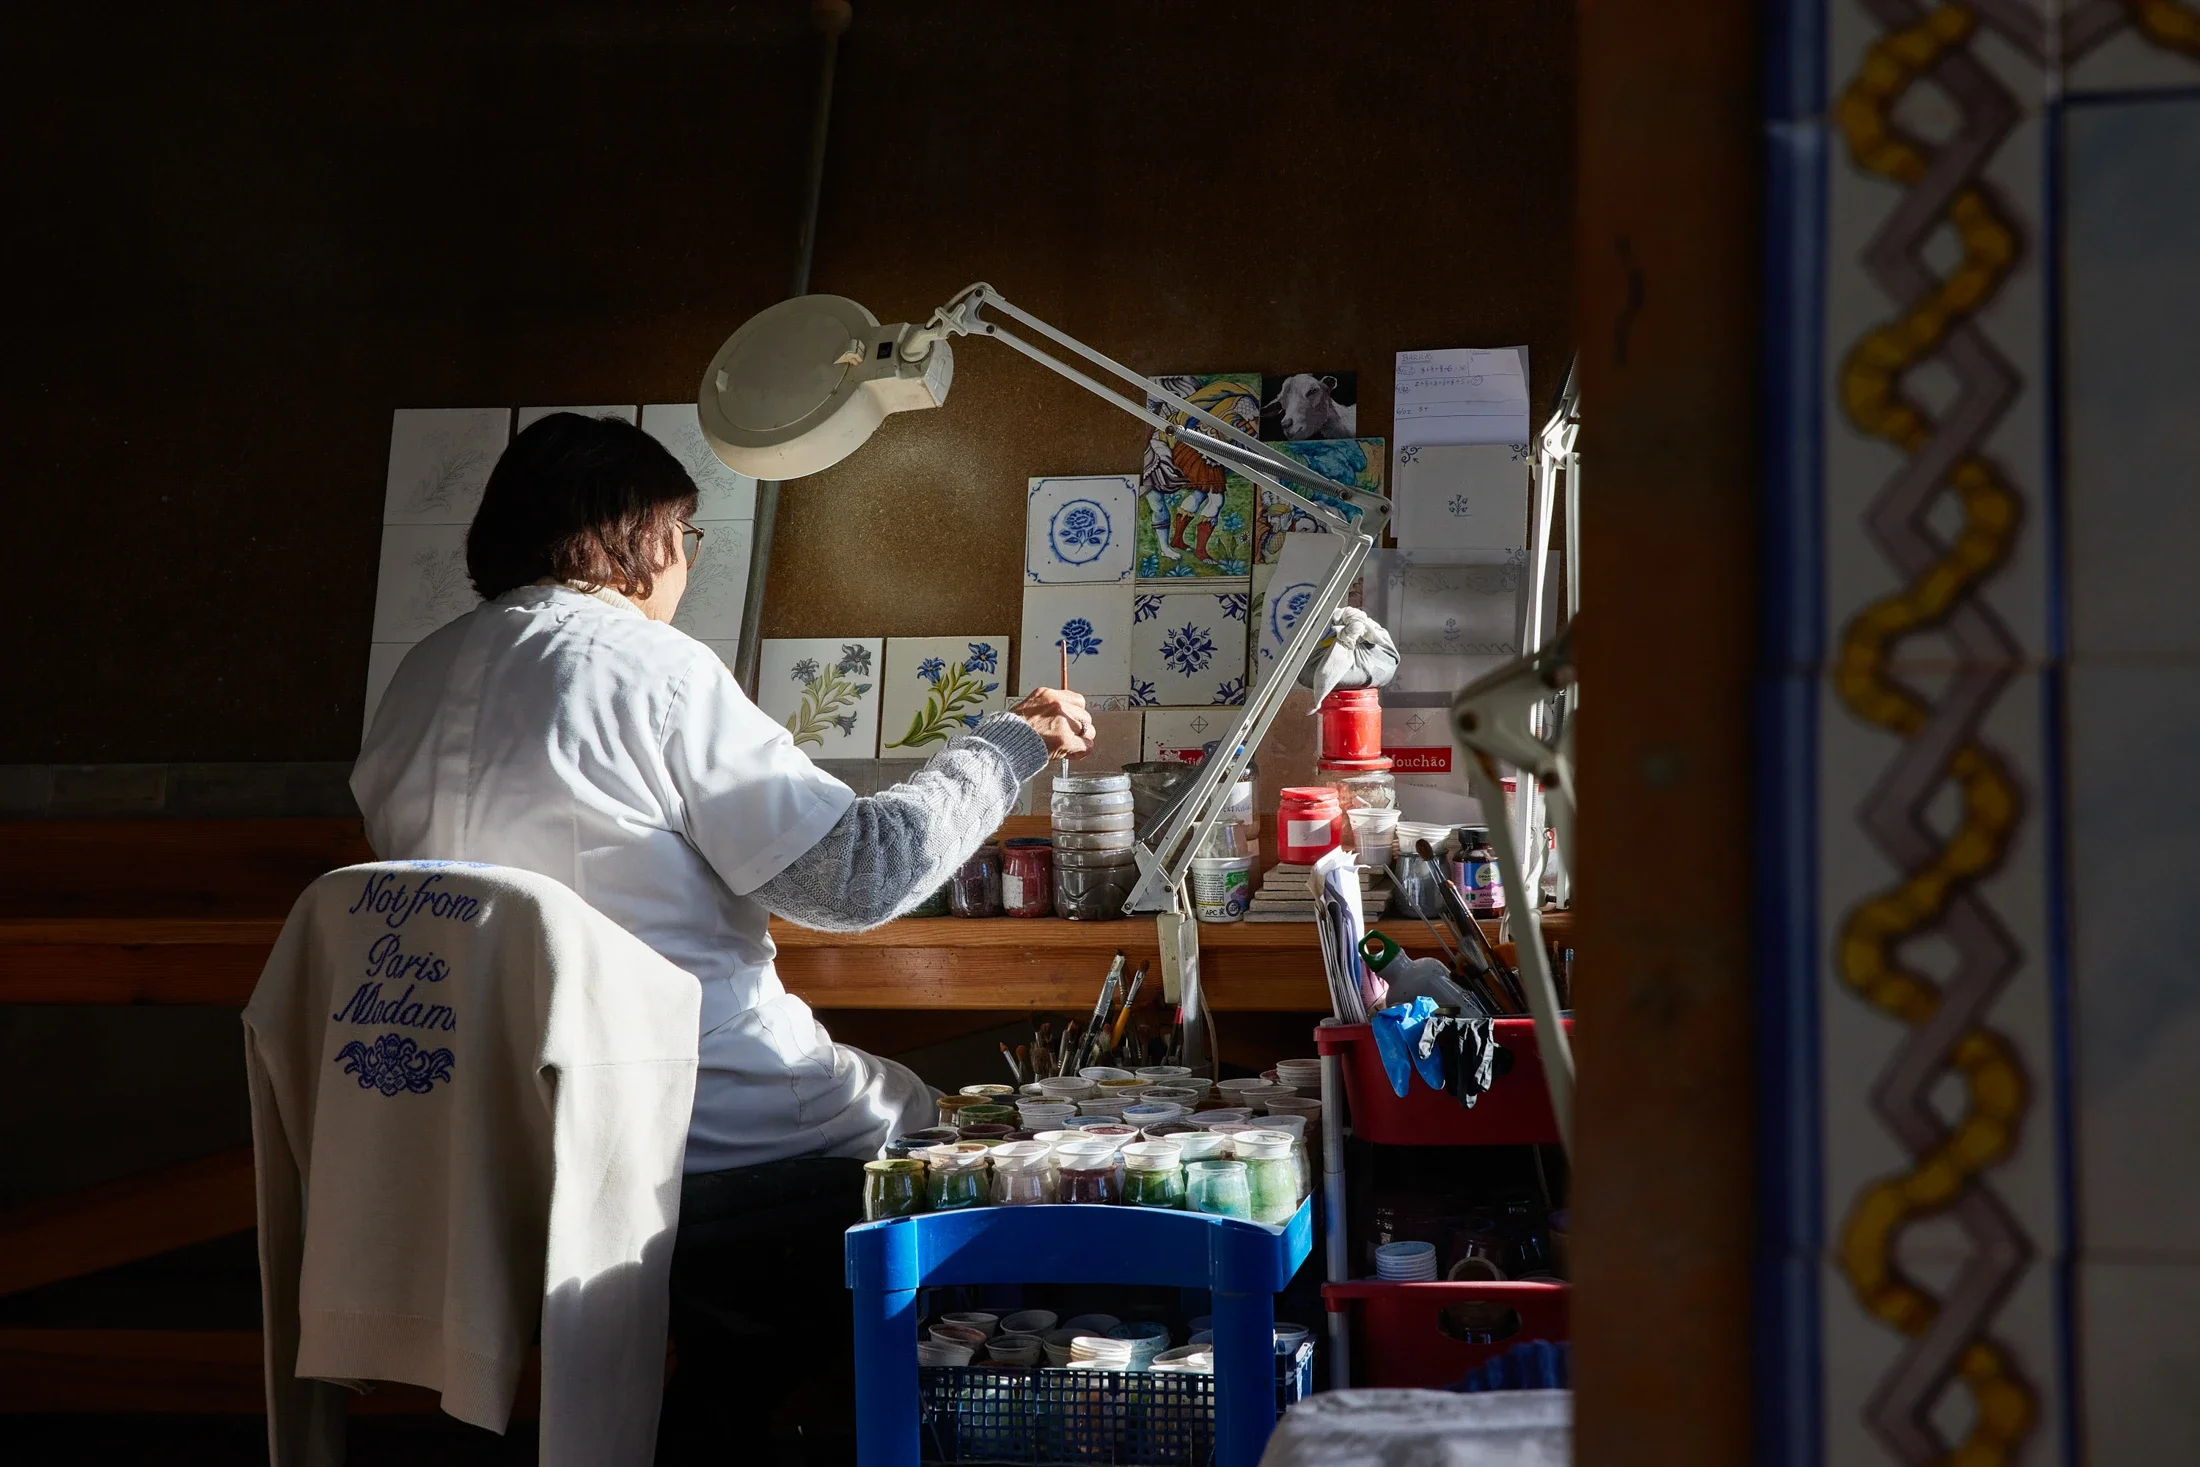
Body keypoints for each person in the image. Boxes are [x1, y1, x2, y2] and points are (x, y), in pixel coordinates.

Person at [352, 412, 1094, 1172]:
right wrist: (1011, 743)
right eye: (685, 536)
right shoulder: (652, 667)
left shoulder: (417, 679)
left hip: (479, 1130)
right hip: (694, 1116)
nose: (684, 563)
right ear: (645, 539)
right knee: (943, 1119)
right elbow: (856, 878)